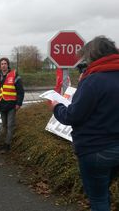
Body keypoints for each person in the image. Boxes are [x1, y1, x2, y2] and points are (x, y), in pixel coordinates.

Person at [50, 36, 119, 211]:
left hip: (96, 149)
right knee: (104, 192)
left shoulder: (93, 80)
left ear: (94, 55)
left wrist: (56, 107)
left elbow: (73, 116)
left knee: (98, 199)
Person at [0, 57, 25, 154]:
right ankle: (4, 143)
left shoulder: (14, 75)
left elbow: (20, 91)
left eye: (5, 63)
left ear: (8, 65)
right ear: (0, 66)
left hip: (12, 104)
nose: (3, 65)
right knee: (4, 125)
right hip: (2, 104)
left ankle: (7, 145)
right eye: (2, 64)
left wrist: (19, 103)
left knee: (10, 125)